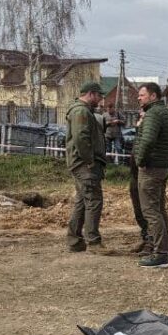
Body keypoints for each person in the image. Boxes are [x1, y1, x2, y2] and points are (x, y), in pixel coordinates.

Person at [133, 82, 168, 268]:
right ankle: (165, 250)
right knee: (159, 210)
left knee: (151, 211)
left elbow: (148, 139)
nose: (138, 98)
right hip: (162, 165)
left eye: (142, 95)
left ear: (153, 96)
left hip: (151, 168)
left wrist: (140, 160)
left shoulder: (153, 114)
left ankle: (160, 254)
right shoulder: (166, 112)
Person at [64, 81, 107, 252]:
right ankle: (94, 241)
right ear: (90, 94)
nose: (101, 99)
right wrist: (89, 160)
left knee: (82, 201)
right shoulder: (81, 111)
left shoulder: (82, 110)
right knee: (94, 200)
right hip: (84, 164)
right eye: (99, 95)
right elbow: (81, 138)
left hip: (80, 162)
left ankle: (75, 240)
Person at [128, 102, 151, 254]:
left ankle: (152, 240)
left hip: (146, 172)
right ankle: (145, 236)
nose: (140, 116)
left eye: (143, 114)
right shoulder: (140, 130)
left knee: (148, 209)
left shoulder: (150, 129)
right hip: (135, 173)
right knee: (138, 208)